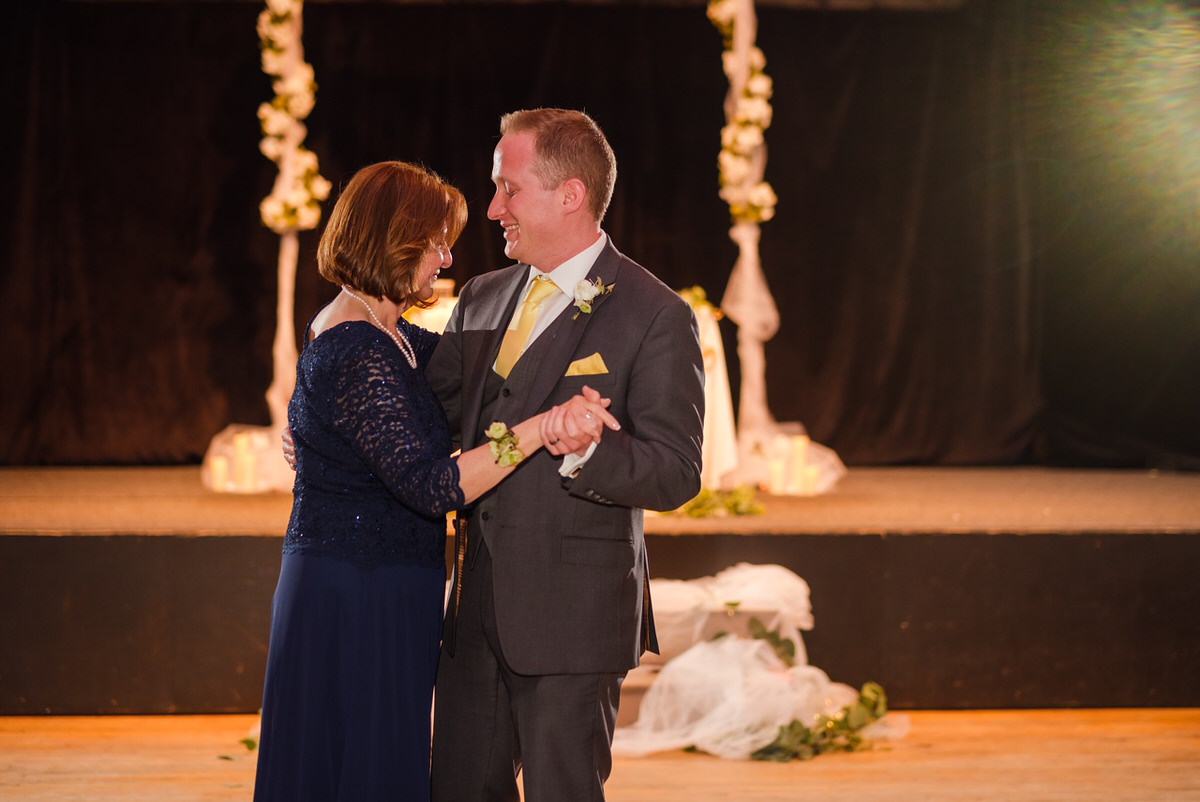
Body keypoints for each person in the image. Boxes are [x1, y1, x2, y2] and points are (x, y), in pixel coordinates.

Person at [253, 160, 616, 802]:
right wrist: (540, 429)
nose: (446, 259)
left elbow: (453, 397)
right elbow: (432, 486)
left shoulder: (391, 334)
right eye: (437, 243)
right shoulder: (354, 345)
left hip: (385, 587)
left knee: (373, 760)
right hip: (354, 594)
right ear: (395, 241)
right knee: (356, 766)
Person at [426, 108, 706, 802]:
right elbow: (432, 417)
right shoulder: (482, 295)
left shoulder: (654, 313)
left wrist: (587, 453)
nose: (493, 209)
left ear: (570, 195)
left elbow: (676, 471)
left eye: (508, 189)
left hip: (573, 619)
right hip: (472, 613)